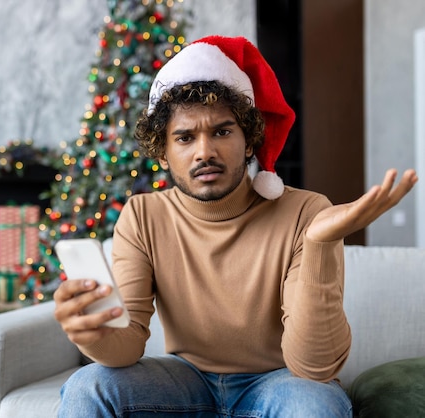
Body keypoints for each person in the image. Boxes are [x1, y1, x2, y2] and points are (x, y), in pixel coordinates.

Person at [53, 35, 418, 417]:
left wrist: (319, 244)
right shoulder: (143, 216)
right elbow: (127, 347)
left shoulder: (307, 212)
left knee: (316, 403)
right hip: (185, 382)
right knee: (88, 385)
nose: (204, 151)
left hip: (279, 382)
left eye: (222, 132)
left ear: (248, 142)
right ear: (163, 152)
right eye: (185, 137)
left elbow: (315, 367)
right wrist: (92, 335)